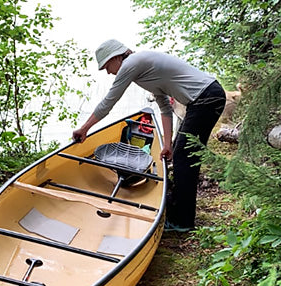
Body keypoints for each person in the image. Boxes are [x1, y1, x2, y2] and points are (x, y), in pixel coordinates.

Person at [72, 39, 225, 232]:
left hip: (206, 99)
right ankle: (177, 206)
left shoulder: (132, 63)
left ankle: (182, 221)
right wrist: (167, 144)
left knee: (185, 158)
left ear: (116, 57)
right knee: (180, 153)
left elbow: (109, 101)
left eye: (106, 66)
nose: (108, 72)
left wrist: (84, 128)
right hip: (204, 99)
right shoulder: (143, 68)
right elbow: (165, 107)